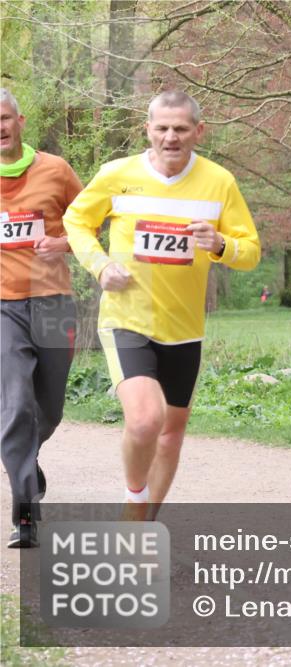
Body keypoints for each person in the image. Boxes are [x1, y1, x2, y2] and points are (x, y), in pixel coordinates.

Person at [64, 91, 260, 518]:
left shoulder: (219, 182)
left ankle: (144, 524)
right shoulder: (117, 174)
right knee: (145, 421)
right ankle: (135, 499)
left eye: (181, 129)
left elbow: (251, 251)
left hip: (185, 327)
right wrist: (99, 265)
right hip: (127, 318)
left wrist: (222, 244)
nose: (171, 137)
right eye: (162, 128)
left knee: (171, 434)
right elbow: (76, 220)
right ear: (147, 129)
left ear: (198, 132)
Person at [0, 88, 83, 547]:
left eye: (4, 117)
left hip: (52, 301)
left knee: (46, 410)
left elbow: (92, 219)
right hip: (2, 307)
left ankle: (25, 459)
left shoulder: (55, 170)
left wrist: (65, 243)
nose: (0, 127)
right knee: (14, 406)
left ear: (20, 120)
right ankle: (25, 512)